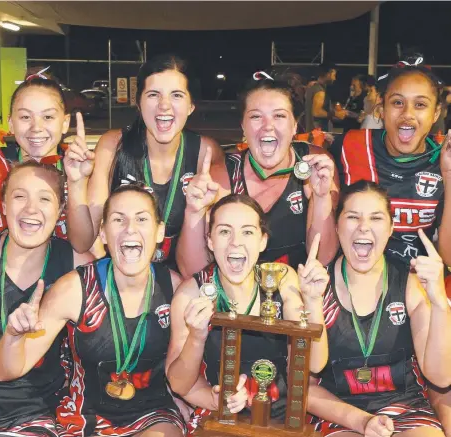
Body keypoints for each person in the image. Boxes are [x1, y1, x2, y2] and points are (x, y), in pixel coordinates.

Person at [0, 184, 188, 437]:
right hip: (84, 417)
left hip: (153, 416)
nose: (130, 228)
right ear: (104, 233)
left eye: (142, 219)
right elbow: (7, 370)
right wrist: (13, 335)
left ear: (159, 231)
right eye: (119, 220)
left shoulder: (175, 289)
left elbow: (189, 371)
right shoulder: (74, 289)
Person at [167, 194, 328, 432]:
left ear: (263, 241)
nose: (235, 243)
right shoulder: (191, 294)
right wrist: (197, 336)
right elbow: (179, 384)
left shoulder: (281, 279)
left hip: (283, 418)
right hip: (223, 419)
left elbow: (314, 364)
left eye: (247, 232)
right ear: (209, 241)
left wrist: (313, 302)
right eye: (224, 232)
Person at [0, 160, 92, 436]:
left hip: (41, 412)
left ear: (60, 211)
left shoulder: (76, 264)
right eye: (20, 196)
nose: (31, 209)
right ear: (4, 206)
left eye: (45, 199)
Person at [308, 180, 451, 436]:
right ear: (337, 225)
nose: (363, 227)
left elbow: (441, 378)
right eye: (353, 217)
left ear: (390, 228)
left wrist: (440, 302)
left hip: (405, 409)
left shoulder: (411, 284)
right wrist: (361, 421)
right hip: (341, 412)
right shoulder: (316, 287)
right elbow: (303, 388)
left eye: (376, 218)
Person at [64, 54, 224, 271]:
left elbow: (212, 253)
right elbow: (82, 242)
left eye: (176, 95)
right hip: (123, 276)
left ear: (190, 106)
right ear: (138, 103)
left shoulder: (206, 153)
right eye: (153, 94)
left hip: (181, 280)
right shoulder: (113, 146)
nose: (164, 105)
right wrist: (76, 183)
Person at [176, 74, 340, 278]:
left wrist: (322, 198)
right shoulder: (221, 177)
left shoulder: (316, 163)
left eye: (279, 116)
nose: (268, 126)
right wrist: (193, 212)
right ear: (243, 127)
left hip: (297, 294)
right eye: (256, 117)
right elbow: (193, 273)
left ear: (294, 126)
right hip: (239, 299)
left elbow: (323, 258)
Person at [329, 59, 451, 266]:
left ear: (436, 113)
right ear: (382, 108)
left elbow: (449, 257)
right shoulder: (349, 147)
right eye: (397, 102)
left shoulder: (443, 161)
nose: (407, 114)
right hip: (357, 280)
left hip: (416, 282)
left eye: (420, 105)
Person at [0, 74, 76, 239]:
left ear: (65, 123)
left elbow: (93, 245)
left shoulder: (80, 168)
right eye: (25, 117)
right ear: (11, 124)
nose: (36, 127)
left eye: (48, 117)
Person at [305, 63, 346, 132]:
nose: (334, 78)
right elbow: (317, 112)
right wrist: (336, 114)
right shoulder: (319, 91)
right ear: (327, 74)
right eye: (333, 75)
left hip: (314, 132)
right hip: (317, 134)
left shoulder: (314, 88)